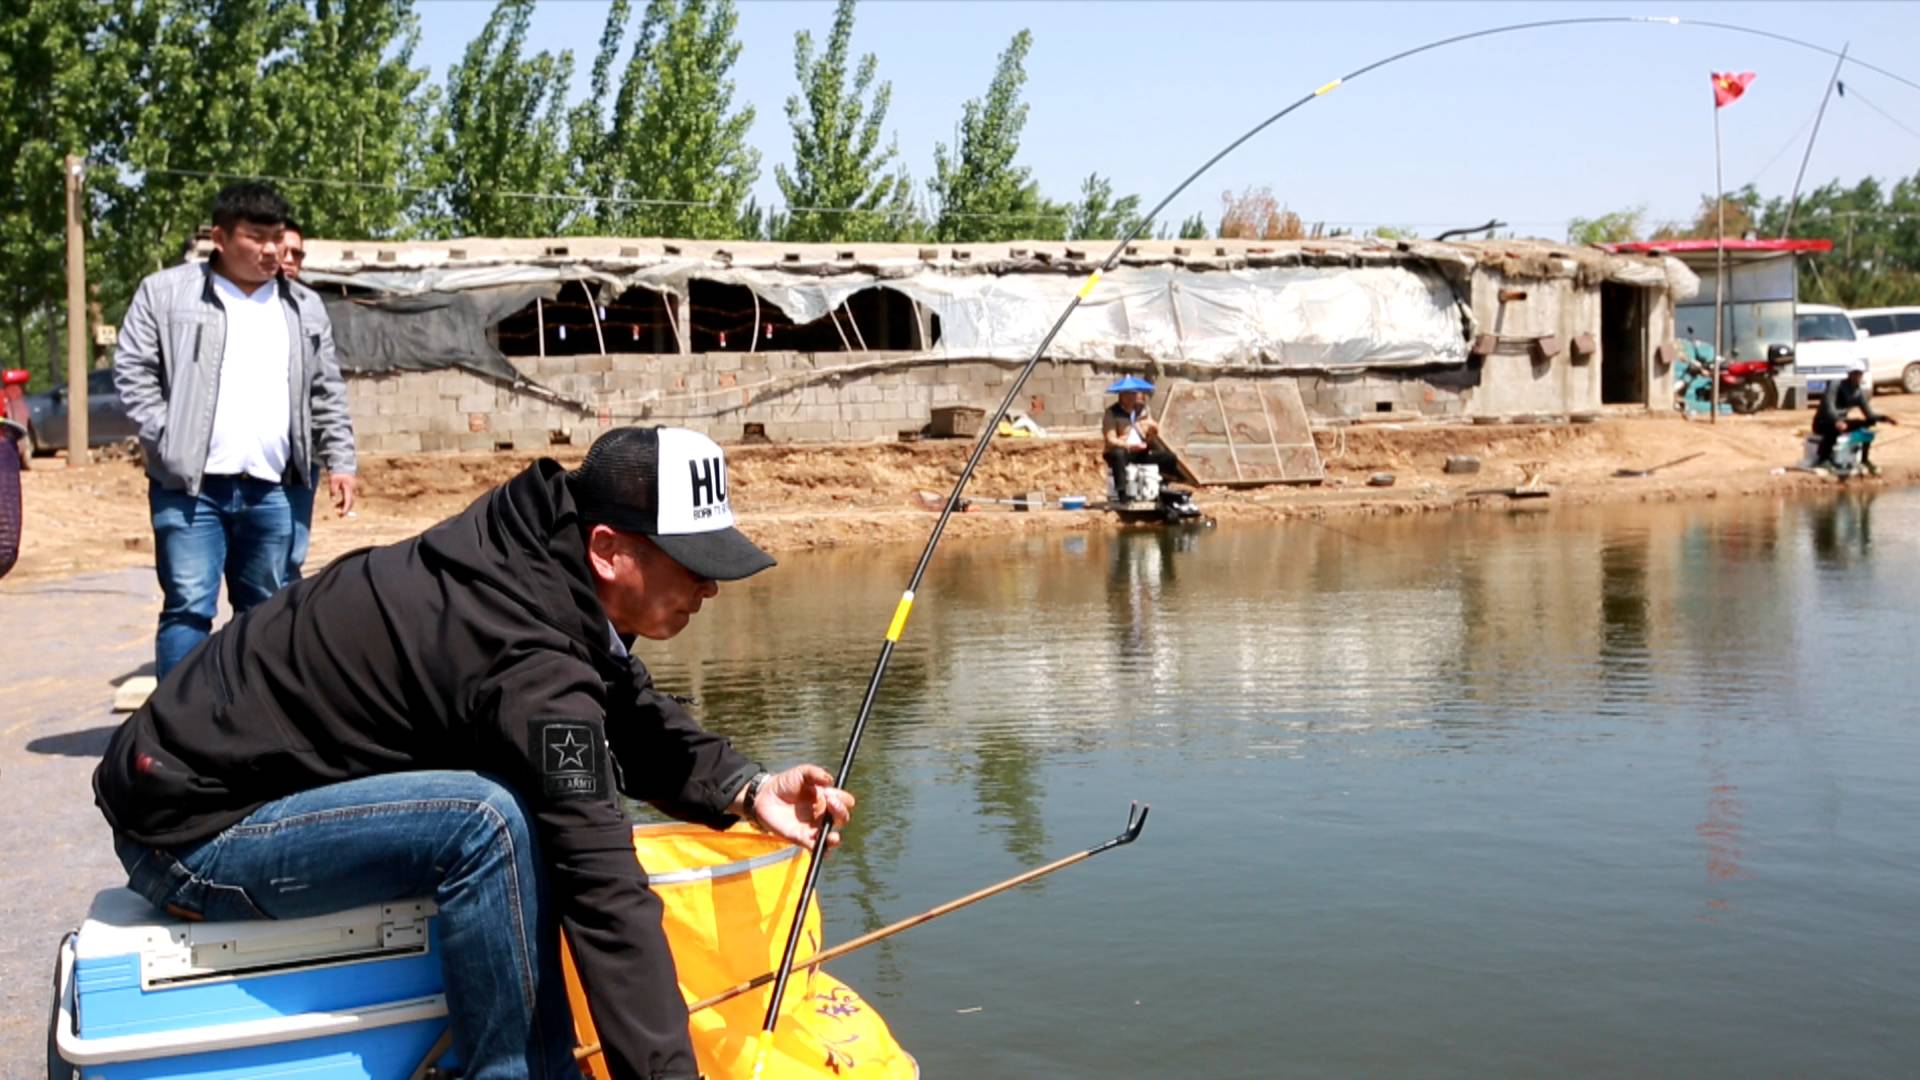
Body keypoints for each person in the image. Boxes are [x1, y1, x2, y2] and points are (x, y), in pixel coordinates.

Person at [94, 425, 854, 1080]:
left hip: (207, 777)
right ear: (609, 549)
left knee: (510, 805)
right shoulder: (525, 655)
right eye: (693, 564)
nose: (710, 590)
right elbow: (605, 887)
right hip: (193, 830)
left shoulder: (531, 555)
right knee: (490, 821)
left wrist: (745, 788)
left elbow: (618, 701)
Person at [113, 182, 359, 676]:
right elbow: (132, 371)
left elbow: (325, 389)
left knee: (268, 612)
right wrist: (168, 440)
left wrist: (341, 460)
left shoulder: (302, 306)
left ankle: (256, 727)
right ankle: (174, 734)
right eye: (256, 237)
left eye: (276, 238)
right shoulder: (166, 294)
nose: (271, 250)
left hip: (272, 488)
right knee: (188, 607)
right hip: (189, 489)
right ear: (220, 238)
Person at [276, 219, 359, 582]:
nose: (290, 260)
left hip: (297, 459)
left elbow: (327, 389)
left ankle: (273, 637)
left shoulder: (310, 308)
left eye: (298, 253)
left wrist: (340, 463)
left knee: (287, 565)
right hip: (237, 464)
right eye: (284, 251)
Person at [1101, 376, 1180, 498]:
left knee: (1169, 457)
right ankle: (1121, 491)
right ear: (1121, 395)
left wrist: (1152, 430)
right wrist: (1129, 445)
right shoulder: (1112, 413)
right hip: (1124, 450)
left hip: (1141, 450)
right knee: (1118, 454)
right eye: (1127, 394)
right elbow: (1110, 439)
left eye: (1134, 393)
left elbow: (1150, 430)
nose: (1131, 397)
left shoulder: (1143, 409)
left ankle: (1163, 484)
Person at [1813, 362, 1897, 472]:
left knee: (1869, 424)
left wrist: (1885, 418)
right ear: (1849, 374)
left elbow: (1869, 414)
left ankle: (1864, 459)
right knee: (1835, 428)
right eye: (1855, 373)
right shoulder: (1836, 385)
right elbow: (1828, 407)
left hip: (1841, 421)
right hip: (1823, 422)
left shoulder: (1858, 392)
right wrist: (1837, 421)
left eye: (1859, 374)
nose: (1857, 376)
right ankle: (1823, 460)